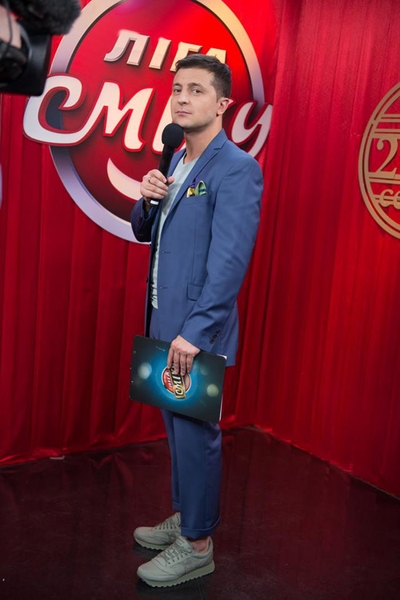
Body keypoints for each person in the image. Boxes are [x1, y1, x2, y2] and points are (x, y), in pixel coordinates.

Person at [130, 53, 263, 588]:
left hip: (194, 330)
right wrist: (146, 200)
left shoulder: (237, 168)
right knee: (176, 428)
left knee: (195, 433)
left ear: (223, 103)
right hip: (164, 319)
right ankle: (188, 515)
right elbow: (147, 233)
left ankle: (198, 543)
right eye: (177, 89)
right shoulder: (177, 158)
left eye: (197, 90)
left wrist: (196, 333)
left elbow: (230, 263)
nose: (182, 98)